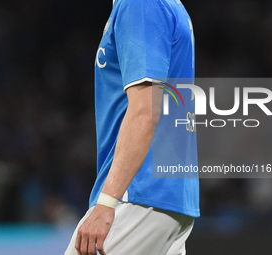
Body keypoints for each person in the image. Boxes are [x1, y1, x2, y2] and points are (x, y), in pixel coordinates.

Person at [64, 0, 199, 254]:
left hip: (138, 194)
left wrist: (106, 203)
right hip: (167, 197)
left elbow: (145, 111)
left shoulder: (141, 4)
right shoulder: (164, 5)